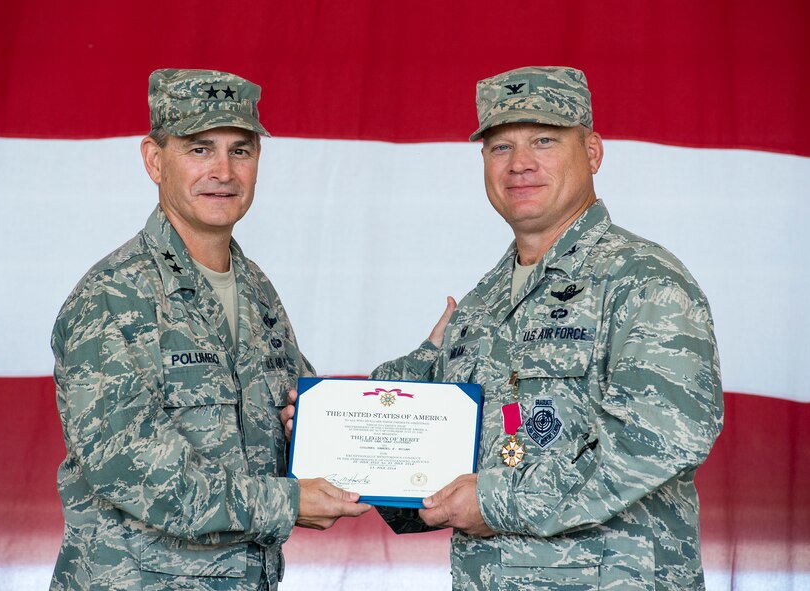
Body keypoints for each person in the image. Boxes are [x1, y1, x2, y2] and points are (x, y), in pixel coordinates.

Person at [283, 66, 723, 589]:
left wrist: (498, 500)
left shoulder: (643, 281)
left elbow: (661, 440)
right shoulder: (480, 305)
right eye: (499, 147)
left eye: (544, 140)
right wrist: (338, 441)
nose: (520, 164)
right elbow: (439, 470)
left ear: (593, 152)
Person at [51, 68, 370, 591]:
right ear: (155, 160)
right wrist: (287, 503)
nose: (223, 170)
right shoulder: (113, 297)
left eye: (240, 151)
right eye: (200, 149)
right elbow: (133, 467)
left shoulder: (256, 292)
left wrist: (419, 376)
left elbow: (309, 417)